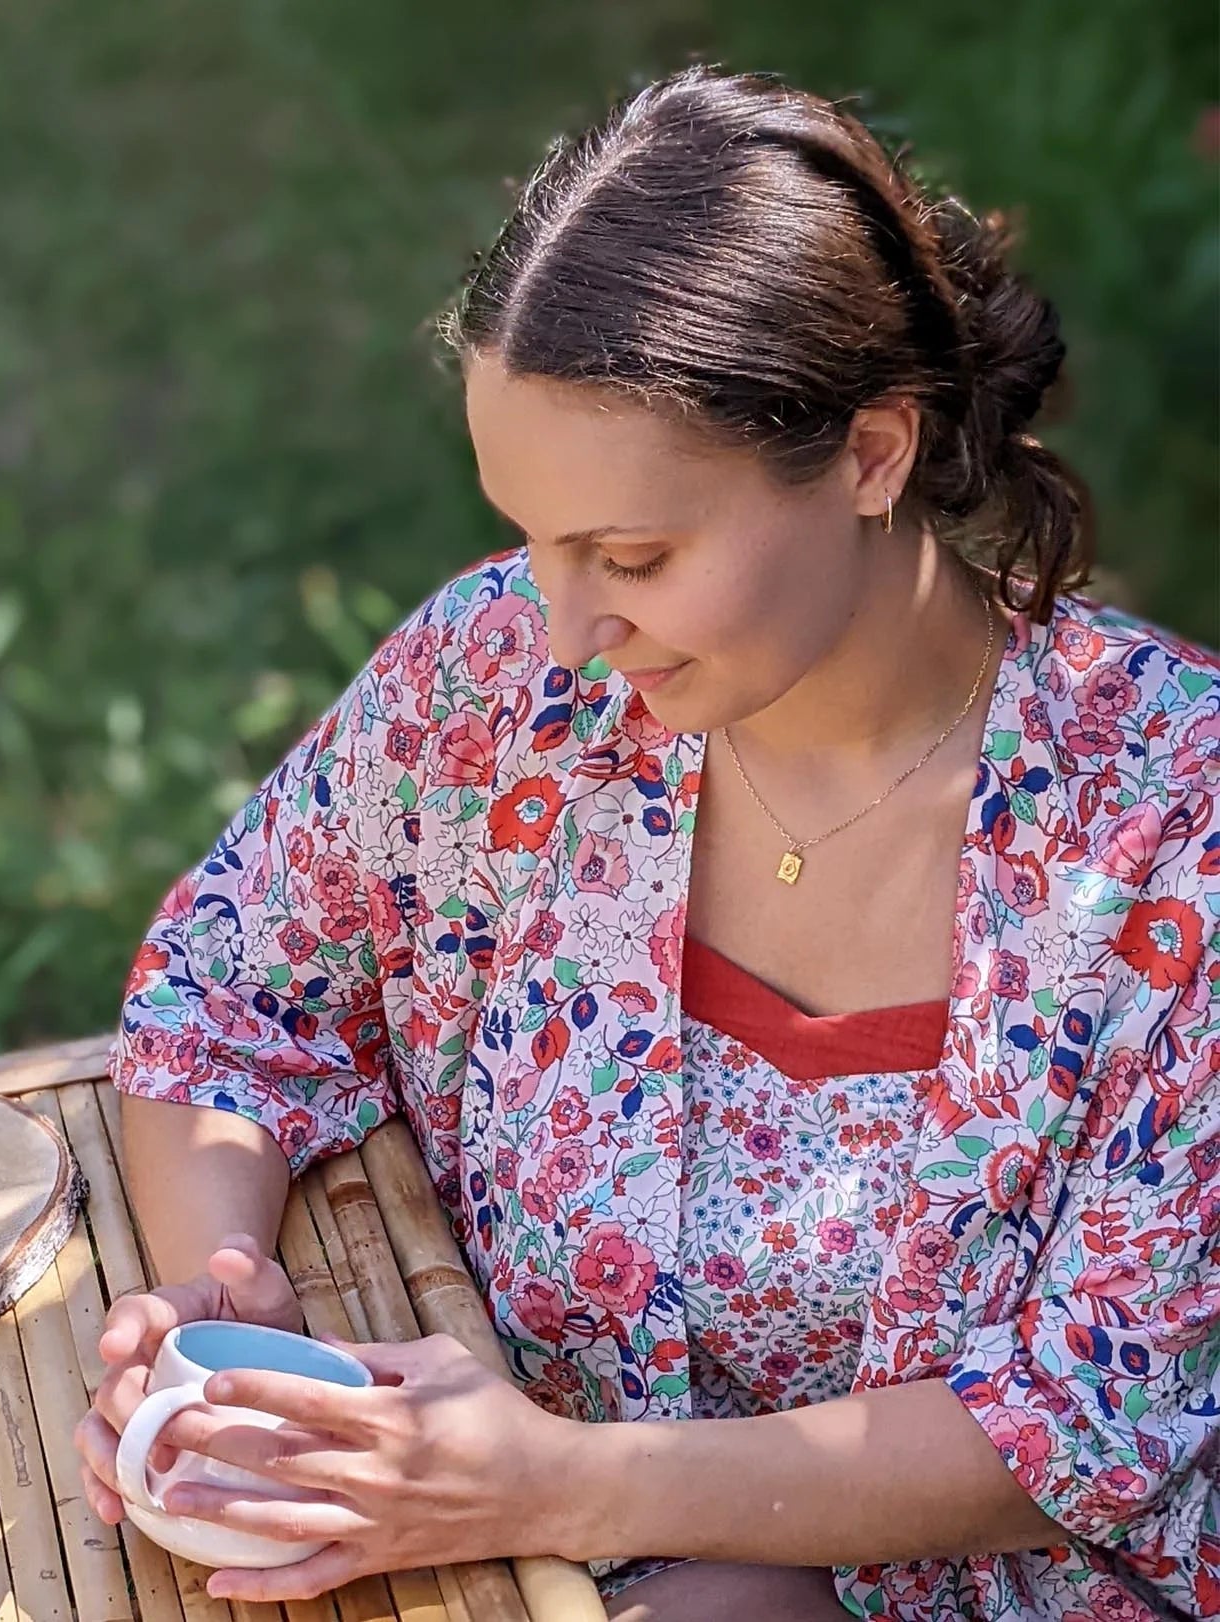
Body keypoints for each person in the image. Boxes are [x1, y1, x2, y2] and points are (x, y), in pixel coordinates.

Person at [73, 63, 1220, 1622]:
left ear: (874, 454)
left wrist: (553, 1481)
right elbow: (230, 990)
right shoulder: (494, 682)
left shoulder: (1173, 836)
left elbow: (1081, 1416)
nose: (562, 626)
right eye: (532, 535)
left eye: (632, 553)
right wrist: (221, 1299)